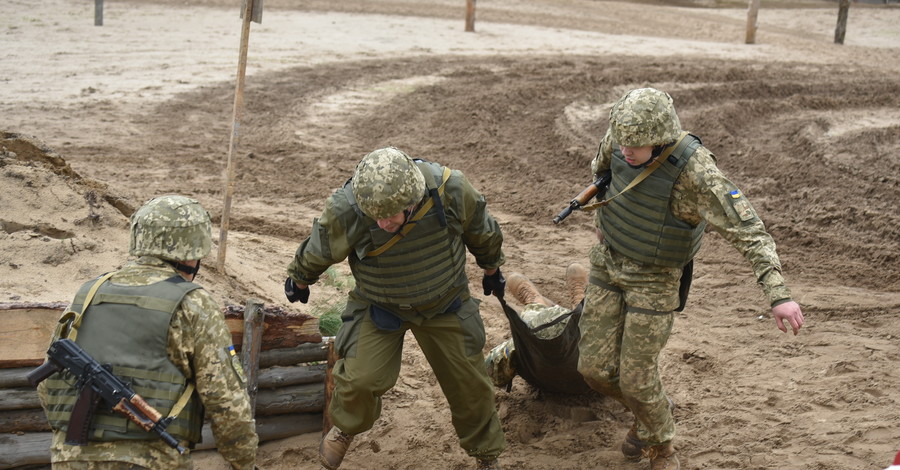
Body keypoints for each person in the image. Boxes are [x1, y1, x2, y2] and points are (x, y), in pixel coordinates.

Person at [579, 87, 805, 470]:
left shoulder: (696, 172)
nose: (626, 150)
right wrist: (606, 222)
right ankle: (653, 410)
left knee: (636, 379)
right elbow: (603, 173)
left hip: (656, 278)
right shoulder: (620, 140)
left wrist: (778, 295)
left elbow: (749, 231)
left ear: (662, 138)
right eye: (622, 141)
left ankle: (661, 444)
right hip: (608, 263)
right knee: (594, 371)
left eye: (638, 144)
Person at [284, 147, 507, 470]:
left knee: (470, 385)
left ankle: (487, 455)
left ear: (413, 201)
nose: (382, 222)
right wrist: (300, 278)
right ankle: (347, 426)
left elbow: (482, 230)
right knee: (358, 380)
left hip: (445, 301)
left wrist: (491, 268)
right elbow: (322, 244)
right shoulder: (350, 206)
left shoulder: (451, 190)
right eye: (375, 216)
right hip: (380, 303)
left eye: (390, 215)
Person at [36, 195, 259, 469]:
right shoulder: (193, 304)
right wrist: (244, 463)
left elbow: (48, 385)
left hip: (70, 457)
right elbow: (227, 402)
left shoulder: (87, 293)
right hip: (151, 459)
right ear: (194, 249)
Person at [484, 263, 589, 392]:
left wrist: (511, 351)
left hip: (542, 382)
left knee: (533, 315)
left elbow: (490, 369)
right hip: (589, 385)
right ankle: (579, 302)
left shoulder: (522, 345)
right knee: (587, 321)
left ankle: (535, 301)